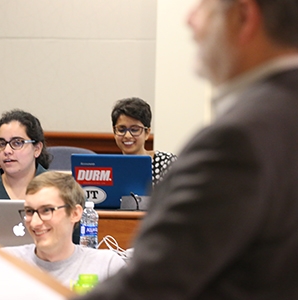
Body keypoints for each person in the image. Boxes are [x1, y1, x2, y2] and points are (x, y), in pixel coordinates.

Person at [74, 0, 298, 299]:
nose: (190, 19)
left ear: (243, 18)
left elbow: (153, 283)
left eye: (204, 6)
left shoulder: (237, 140)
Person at [2, 171, 126, 288]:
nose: (35, 223)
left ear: (75, 214)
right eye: (29, 211)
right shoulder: (5, 261)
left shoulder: (107, 266)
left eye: (46, 210)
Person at [111, 97, 177, 185]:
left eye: (134, 129)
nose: (127, 135)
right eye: (121, 129)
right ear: (114, 131)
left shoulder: (167, 163)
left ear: (147, 133)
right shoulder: (111, 167)